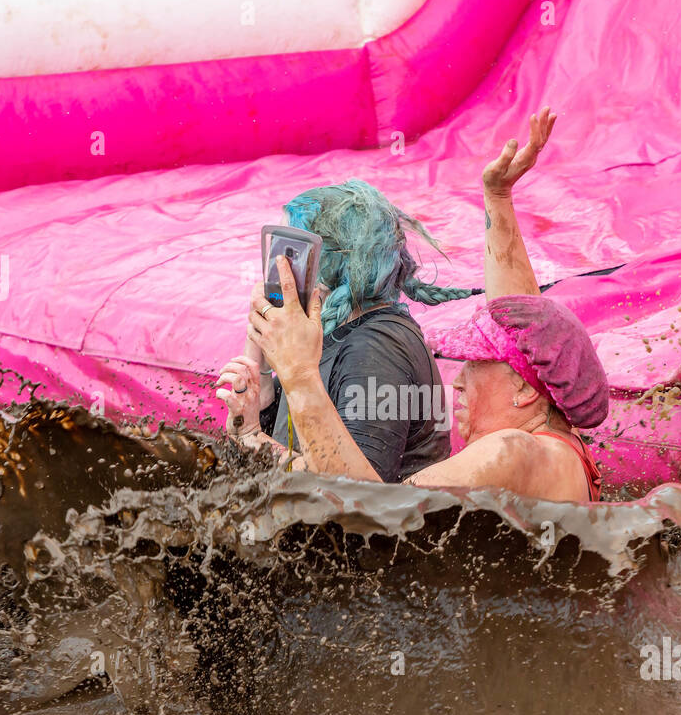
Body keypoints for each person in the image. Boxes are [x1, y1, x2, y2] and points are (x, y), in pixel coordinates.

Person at [251, 108, 610, 504]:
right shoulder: (560, 450)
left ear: (524, 390)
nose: (455, 381)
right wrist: (498, 197)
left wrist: (298, 377)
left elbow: (367, 509)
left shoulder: (510, 451)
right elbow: (524, 327)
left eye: (474, 365)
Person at [214, 181, 477, 483]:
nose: (278, 270)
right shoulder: (327, 337)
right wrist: (259, 372)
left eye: (291, 256)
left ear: (333, 261)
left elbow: (358, 495)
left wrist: (251, 437)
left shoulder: (378, 348)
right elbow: (281, 454)